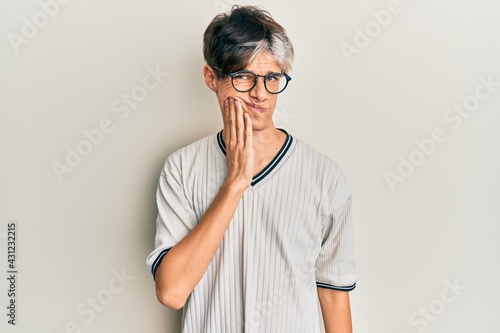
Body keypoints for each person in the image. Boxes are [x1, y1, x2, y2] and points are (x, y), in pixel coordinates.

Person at [146, 5, 356, 333]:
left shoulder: (325, 177)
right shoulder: (182, 168)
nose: (260, 93)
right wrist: (235, 183)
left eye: (272, 77)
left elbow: (333, 294)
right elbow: (172, 292)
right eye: (244, 76)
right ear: (211, 78)